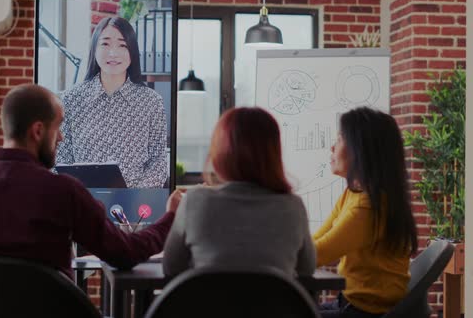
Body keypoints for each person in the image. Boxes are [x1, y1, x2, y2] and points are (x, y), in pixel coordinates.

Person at [0, 84, 184, 279]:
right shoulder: (63, 192)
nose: (62, 138)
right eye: (58, 128)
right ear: (38, 131)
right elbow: (125, 253)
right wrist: (172, 215)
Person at [163, 107, 315, 277]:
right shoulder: (293, 206)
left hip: (209, 303)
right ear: (274, 154)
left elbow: (171, 268)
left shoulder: (194, 202)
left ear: (220, 153)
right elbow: (306, 269)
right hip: (272, 303)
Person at [313, 107, 418, 318]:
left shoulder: (368, 207)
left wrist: (271, 257)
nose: (332, 147)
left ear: (361, 150)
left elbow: (318, 253)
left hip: (365, 313)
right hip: (349, 304)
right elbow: (317, 240)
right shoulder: (353, 195)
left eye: (340, 139)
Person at [56, 16, 167, 188]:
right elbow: (60, 160)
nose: (113, 52)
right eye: (105, 44)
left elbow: (158, 164)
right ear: (94, 48)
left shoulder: (151, 102)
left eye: (122, 45)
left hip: (134, 207)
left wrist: (132, 196)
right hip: (80, 203)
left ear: (132, 51)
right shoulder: (70, 99)